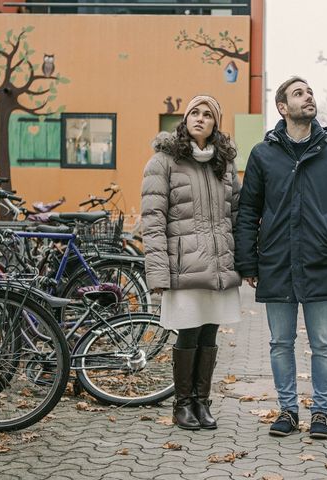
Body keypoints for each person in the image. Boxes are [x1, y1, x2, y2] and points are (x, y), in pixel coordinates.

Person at [235, 77, 327, 439]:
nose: (308, 96)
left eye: (310, 92)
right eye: (298, 93)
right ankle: (288, 411)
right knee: (280, 342)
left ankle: (321, 412)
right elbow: (248, 210)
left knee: (323, 342)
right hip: (276, 259)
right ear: (282, 107)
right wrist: (248, 262)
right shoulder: (263, 154)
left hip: (320, 257)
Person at [141, 95, 242, 430]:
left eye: (208, 114)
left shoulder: (224, 163)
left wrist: (241, 261)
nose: (200, 118)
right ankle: (182, 405)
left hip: (217, 266)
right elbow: (153, 218)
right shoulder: (164, 160)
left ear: (215, 123)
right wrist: (157, 272)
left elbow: (237, 214)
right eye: (194, 113)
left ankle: (202, 401)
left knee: (209, 334)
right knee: (187, 335)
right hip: (183, 266)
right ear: (185, 120)